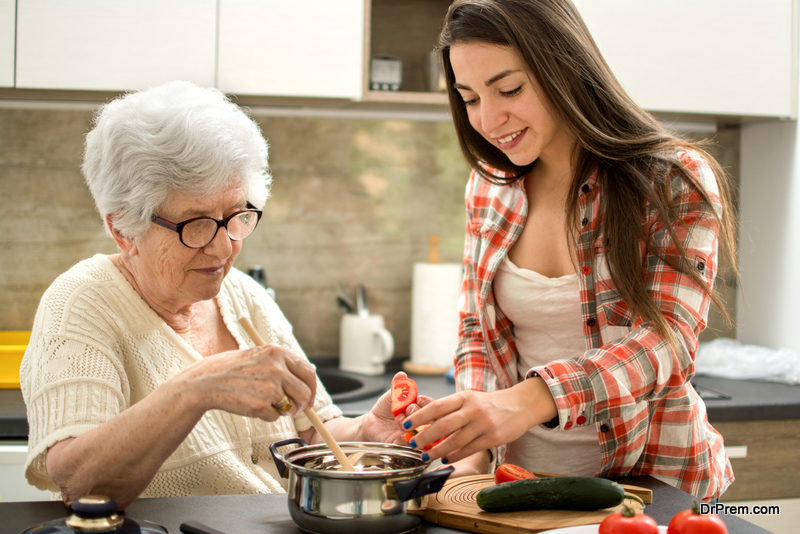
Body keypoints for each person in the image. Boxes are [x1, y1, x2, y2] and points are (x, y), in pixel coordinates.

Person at [401, 0, 737, 501]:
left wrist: (531, 399)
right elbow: (477, 329)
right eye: (469, 98)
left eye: (509, 89)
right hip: (517, 490)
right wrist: (471, 445)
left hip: (654, 484)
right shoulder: (489, 187)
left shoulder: (672, 180)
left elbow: (666, 341)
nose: (489, 119)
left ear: (564, 66)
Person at [20, 81, 408, 509]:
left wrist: (367, 434)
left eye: (234, 216)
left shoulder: (244, 295)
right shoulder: (82, 303)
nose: (223, 247)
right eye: (195, 224)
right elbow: (79, 482)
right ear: (123, 229)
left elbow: (313, 432)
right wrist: (194, 389)